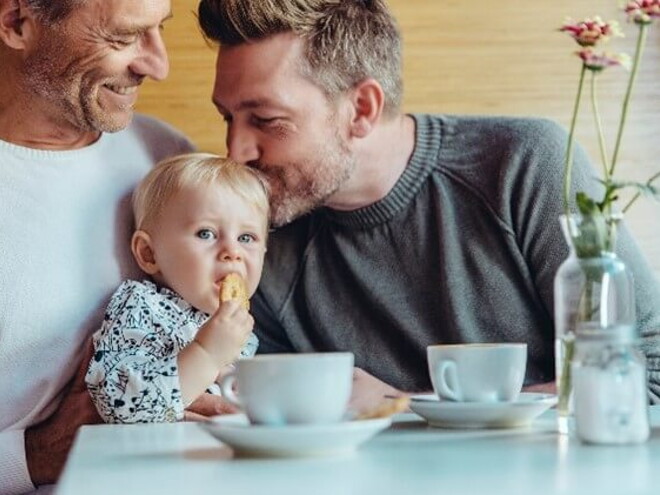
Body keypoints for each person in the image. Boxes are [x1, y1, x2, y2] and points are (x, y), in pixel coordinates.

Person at [197, 0, 660, 409]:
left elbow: (649, 373)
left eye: (266, 120)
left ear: (361, 109)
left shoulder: (525, 165)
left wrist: (405, 407)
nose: (236, 151)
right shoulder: (255, 238)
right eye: (227, 117)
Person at [0, 0, 194, 492]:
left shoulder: (169, 161)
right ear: (16, 23)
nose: (158, 64)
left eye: (158, 30)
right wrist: (33, 456)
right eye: (124, 37)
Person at [85, 153, 269, 423]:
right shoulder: (140, 308)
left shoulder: (242, 330)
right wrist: (207, 354)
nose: (233, 251)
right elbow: (120, 404)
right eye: (206, 233)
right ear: (149, 253)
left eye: (246, 237)